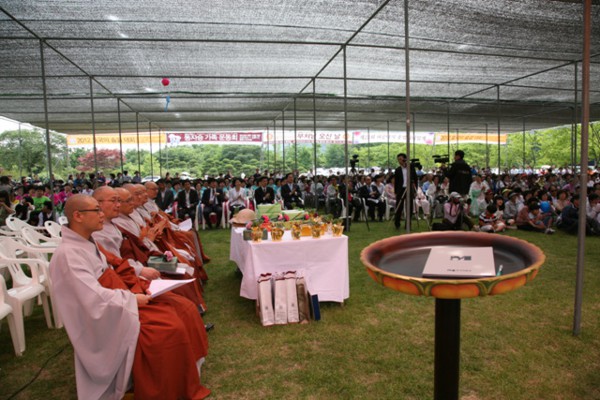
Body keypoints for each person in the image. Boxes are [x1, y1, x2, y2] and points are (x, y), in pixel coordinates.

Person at [49, 194, 210, 400]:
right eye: (96, 210)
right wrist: (133, 298)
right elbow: (92, 298)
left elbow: (112, 269)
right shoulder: (68, 254)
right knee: (167, 328)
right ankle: (164, 387)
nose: (101, 214)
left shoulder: (88, 241)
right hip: (106, 315)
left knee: (182, 305)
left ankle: (185, 373)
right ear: (78, 216)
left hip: (121, 293)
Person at [393, 153, 418, 229]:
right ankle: (397, 223)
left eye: (401, 159)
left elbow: (415, 179)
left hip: (409, 189)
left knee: (409, 207)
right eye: (398, 159)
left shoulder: (410, 168)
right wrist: (396, 192)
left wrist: (415, 190)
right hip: (401, 189)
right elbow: (396, 182)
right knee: (399, 206)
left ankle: (408, 224)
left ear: (405, 159)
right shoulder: (397, 170)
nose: (400, 161)